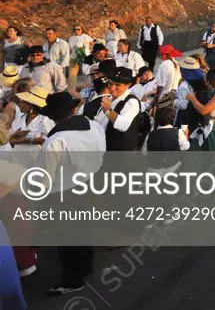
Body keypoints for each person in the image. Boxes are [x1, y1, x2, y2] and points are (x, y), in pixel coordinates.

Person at [38, 91, 105, 295]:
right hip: (89, 184)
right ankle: (86, 265)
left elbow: (44, 179)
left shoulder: (55, 142)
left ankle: (72, 280)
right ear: (73, 109)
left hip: (65, 194)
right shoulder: (93, 125)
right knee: (85, 229)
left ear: (51, 116)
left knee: (67, 240)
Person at [100, 67, 143, 151]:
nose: (112, 88)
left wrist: (109, 111)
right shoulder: (109, 98)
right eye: (110, 84)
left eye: (117, 85)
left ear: (128, 85)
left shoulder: (131, 102)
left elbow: (122, 125)